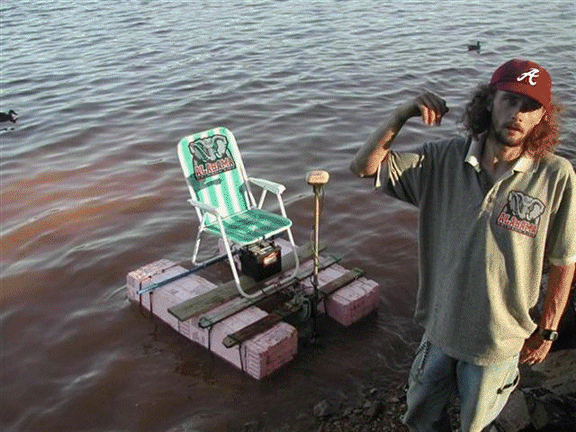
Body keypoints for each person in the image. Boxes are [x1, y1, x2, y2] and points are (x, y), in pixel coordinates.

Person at [350, 59, 576, 432]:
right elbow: (364, 167)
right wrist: (402, 113)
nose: (518, 114)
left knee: (476, 425)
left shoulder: (556, 176)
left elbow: (564, 259)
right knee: (420, 416)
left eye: (531, 107)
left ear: (543, 118)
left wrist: (547, 330)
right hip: (439, 329)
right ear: (489, 102)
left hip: (498, 344)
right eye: (510, 101)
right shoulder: (442, 160)